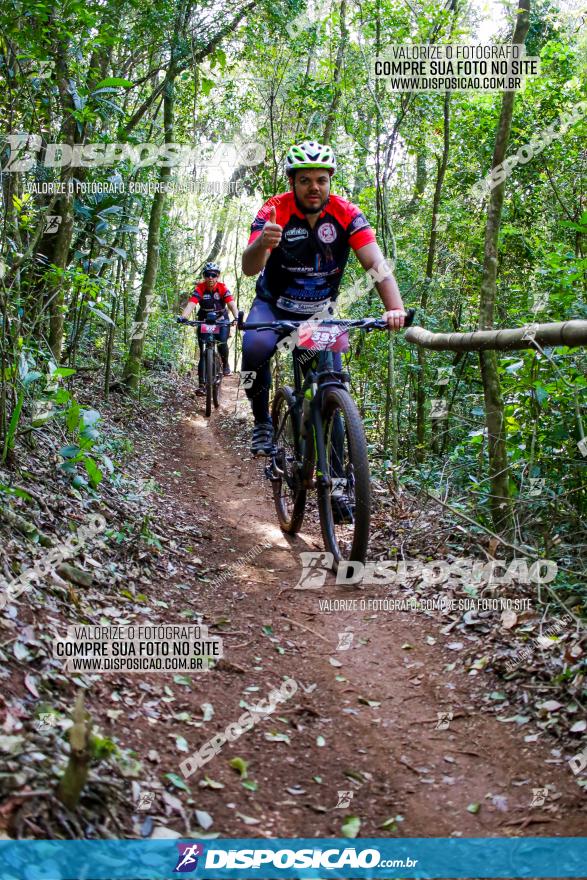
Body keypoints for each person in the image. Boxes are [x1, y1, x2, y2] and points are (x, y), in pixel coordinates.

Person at [241, 139, 406, 455]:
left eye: (321, 180)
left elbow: (376, 264)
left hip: (319, 313)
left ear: (330, 181)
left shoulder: (346, 213)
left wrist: (394, 308)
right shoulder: (274, 210)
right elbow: (250, 268)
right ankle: (262, 421)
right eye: (305, 180)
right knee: (254, 350)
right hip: (273, 305)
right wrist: (262, 243)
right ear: (293, 182)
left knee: (330, 383)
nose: (313, 187)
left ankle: (339, 481)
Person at [179, 263, 238, 394]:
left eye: (213, 275)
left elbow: (232, 305)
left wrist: (237, 317)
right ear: (204, 277)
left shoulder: (222, 288)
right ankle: (202, 385)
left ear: (218, 276)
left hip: (221, 319)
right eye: (207, 275)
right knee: (203, 350)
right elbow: (191, 304)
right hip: (204, 320)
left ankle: (225, 363)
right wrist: (183, 317)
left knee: (222, 342)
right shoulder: (200, 288)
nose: (210, 277)